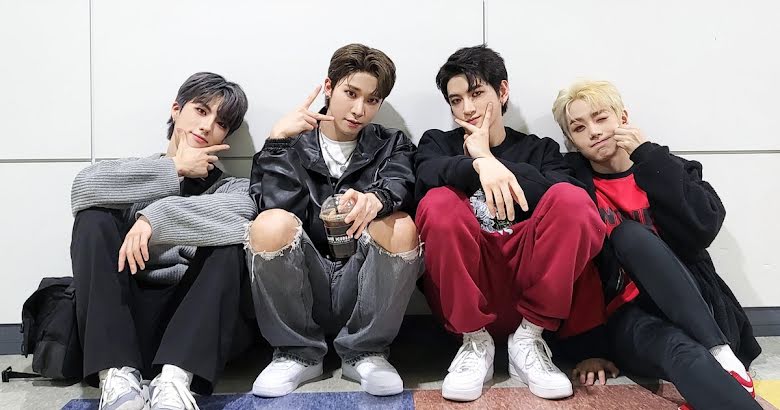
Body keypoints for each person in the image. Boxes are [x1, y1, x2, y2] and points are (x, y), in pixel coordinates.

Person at [553, 79, 762, 409]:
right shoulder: (572, 182)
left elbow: (705, 226)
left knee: (630, 236)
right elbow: (573, 269)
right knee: (678, 351)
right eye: (579, 128)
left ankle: (719, 352)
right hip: (626, 314)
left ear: (623, 118)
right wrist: (590, 348)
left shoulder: (664, 166)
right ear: (571, 140)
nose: (593, 132)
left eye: (601, 118)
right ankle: (727, 373)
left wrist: (647, 155)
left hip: (692, 301)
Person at [414, 45, 608, 402]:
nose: (467, 108)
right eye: (456, 100)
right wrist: (477, 164)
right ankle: (474, 343)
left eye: (476, 93)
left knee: (572, 200)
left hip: (532, 290)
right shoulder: (437, 143)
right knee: (437, 202)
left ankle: (529, 341)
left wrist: (490, 159)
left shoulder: (540, 150)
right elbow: (424, 178)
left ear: (502, 91)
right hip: (468, 289)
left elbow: (575, 204)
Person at [246, 43, 423, 398]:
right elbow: (275, 208)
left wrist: (376, 199)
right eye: (351, 93)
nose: (359, 110)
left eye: (372, 100)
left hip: (362, 278)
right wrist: (277, 143)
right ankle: (296, 353)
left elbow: (400, 182)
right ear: (329, 87)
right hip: (304, 280)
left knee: (402, 225)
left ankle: (366, 352)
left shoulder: (391, 144)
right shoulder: (290, 143)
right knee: (268, 225)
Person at [71, 72, 257, 410]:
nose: (207, 126)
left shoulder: (232, 188)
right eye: (201, 111)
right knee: (92, 218)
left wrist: (153, 220)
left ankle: (175, 381)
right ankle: (117, 378)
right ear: (176, 109)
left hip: (193, 325)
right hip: (125, 320)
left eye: (220, 123)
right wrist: (174, 169)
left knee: (228, 240)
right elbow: (83, 187)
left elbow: (245, 212)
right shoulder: (135, 172)